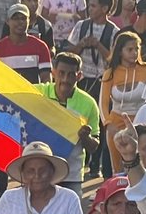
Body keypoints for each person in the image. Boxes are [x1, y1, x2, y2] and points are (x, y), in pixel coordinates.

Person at [36, 53, 101, 196]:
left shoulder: (88, 103)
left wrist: (85, 137)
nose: (65, 79)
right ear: (53, 73)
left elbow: (94, 146)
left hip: (71, 175)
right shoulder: (37, 93)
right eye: (61, 73)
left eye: (71, 75)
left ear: (79, 76)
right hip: (38, 172)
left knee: (72, 210)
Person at [0, 142, 87, 214]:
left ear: (52, 172)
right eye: (30, 171)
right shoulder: (9, 199)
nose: (37, 176)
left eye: (43, 170)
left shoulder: (69, 198)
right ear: (23, 174)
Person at [100, 30, 146, 170]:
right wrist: (108, 124)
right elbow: (103, 103)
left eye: (137, 49)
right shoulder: (110, 73)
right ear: (120, 51)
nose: (134, 53)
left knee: (142, 166)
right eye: (130, 49)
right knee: (118, 169)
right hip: (116, 124)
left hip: (141, 122)